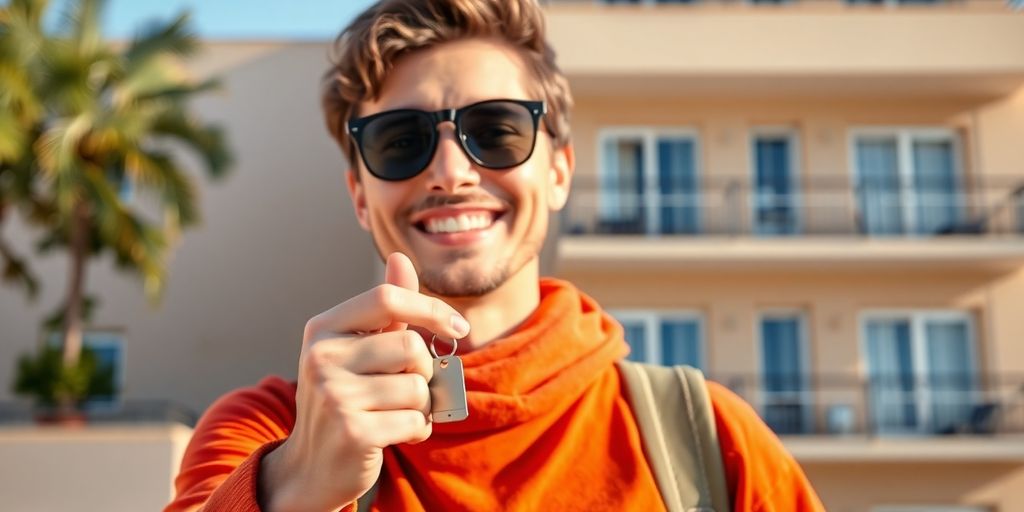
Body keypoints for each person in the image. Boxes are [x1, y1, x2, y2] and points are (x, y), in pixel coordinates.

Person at [165, 0, 825, 510]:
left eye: (497, 130)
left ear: (559, 171)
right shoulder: (267, 434)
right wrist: (296, 485)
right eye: (400, 142)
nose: (450, 172)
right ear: (360, 196)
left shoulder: (708, 437)